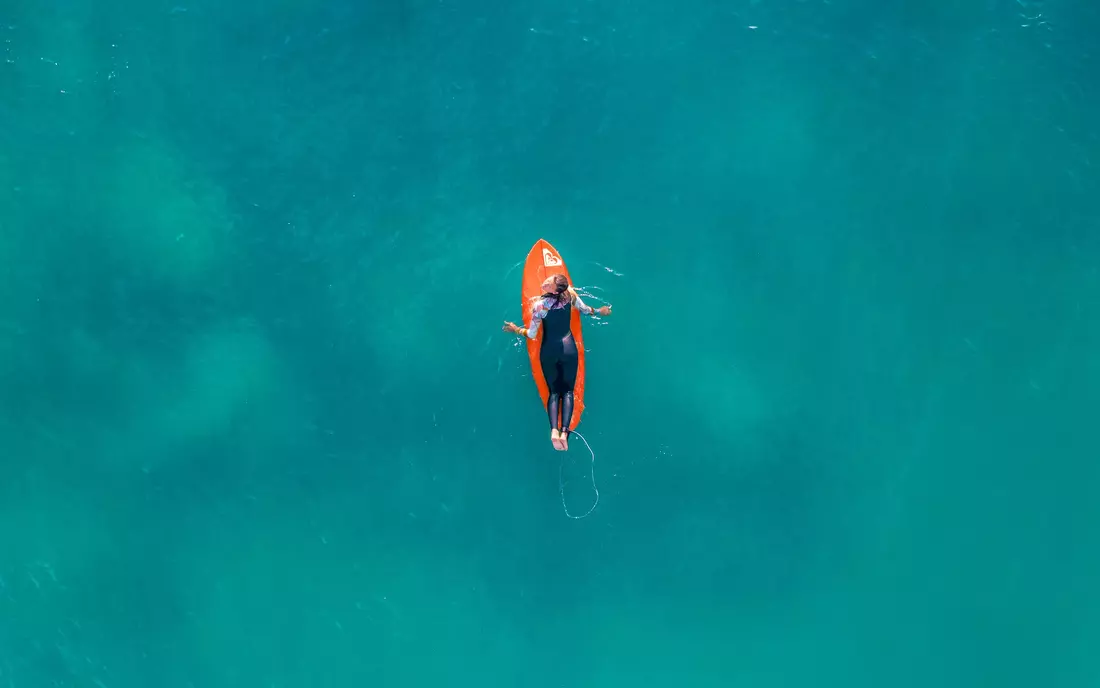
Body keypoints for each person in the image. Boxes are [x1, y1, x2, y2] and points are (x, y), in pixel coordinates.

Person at [503, 274, 611, 451]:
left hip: (549, 352)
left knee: (555, 392)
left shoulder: (540, 306)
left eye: (549, 283)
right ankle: (564, 433)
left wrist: (516, 329)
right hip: (569, 350)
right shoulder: (570, 295)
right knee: (567, 392)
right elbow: (585, 310)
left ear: (555, 290)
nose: (545, 283)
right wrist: (601, 311)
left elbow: (531, 334)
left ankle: (554, 431)